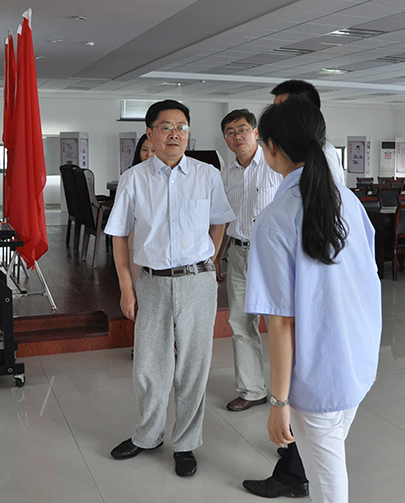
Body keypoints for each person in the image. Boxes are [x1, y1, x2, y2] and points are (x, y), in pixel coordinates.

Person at [245, 98, 381, 503]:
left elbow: (281, 321)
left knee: (327, 483)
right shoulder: (348, 202)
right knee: (329, 464)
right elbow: (368, 283)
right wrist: (367, 356)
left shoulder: (276, 219)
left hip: (315, 376)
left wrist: (278, 402)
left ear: (271, 147)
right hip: (355, 362)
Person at [104, 99, 235, 477]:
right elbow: (118, 236)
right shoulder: (133, 179)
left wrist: (209, 260)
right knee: (149, 366)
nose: (174, 133)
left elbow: (220, 221)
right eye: (166, 127)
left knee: (194, 366)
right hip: (153, 282)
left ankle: (186, 443)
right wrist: (126, 287)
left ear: (188, 133)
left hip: (197, 283)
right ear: (150, 133)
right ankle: (147, 436)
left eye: (181, 127)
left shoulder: (207, 175)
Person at [214, 109, 282, 412]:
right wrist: (217, 256)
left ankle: (287, 392)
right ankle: (252, 390)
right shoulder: (226, 175)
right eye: (230, 132)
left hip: (273, 255)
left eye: (242, 129)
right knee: (241, 322)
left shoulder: (275, 166)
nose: (236, 136)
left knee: (279, 323)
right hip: (239, 254)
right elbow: (223, 220)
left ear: (255, 132)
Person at [270, 79, 345, 186]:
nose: (274, 116)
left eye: (280, 109)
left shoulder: (324, 153)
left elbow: (330, 193)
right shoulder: (286, 150)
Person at [128, 133, 154, 283]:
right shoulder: (132, 176)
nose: (148, 154)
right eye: (144, 150)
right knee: (138, 282)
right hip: (137, 238)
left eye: (153, 150)